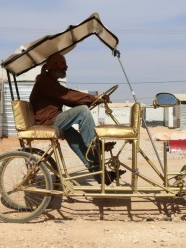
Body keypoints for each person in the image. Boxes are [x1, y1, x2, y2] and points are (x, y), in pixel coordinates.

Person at [29, 53, 123, 184]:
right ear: (53, 65)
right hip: (47, 122)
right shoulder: (44, 81)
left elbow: (69, 98)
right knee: (83, 112)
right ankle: (95, 146)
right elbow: (68, 95)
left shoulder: (51, 82)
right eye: (63, 63)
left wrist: (94, 100)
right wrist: (93, 98)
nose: (66, 66)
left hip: (52, 119)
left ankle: (103, 177)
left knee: (80, 145)